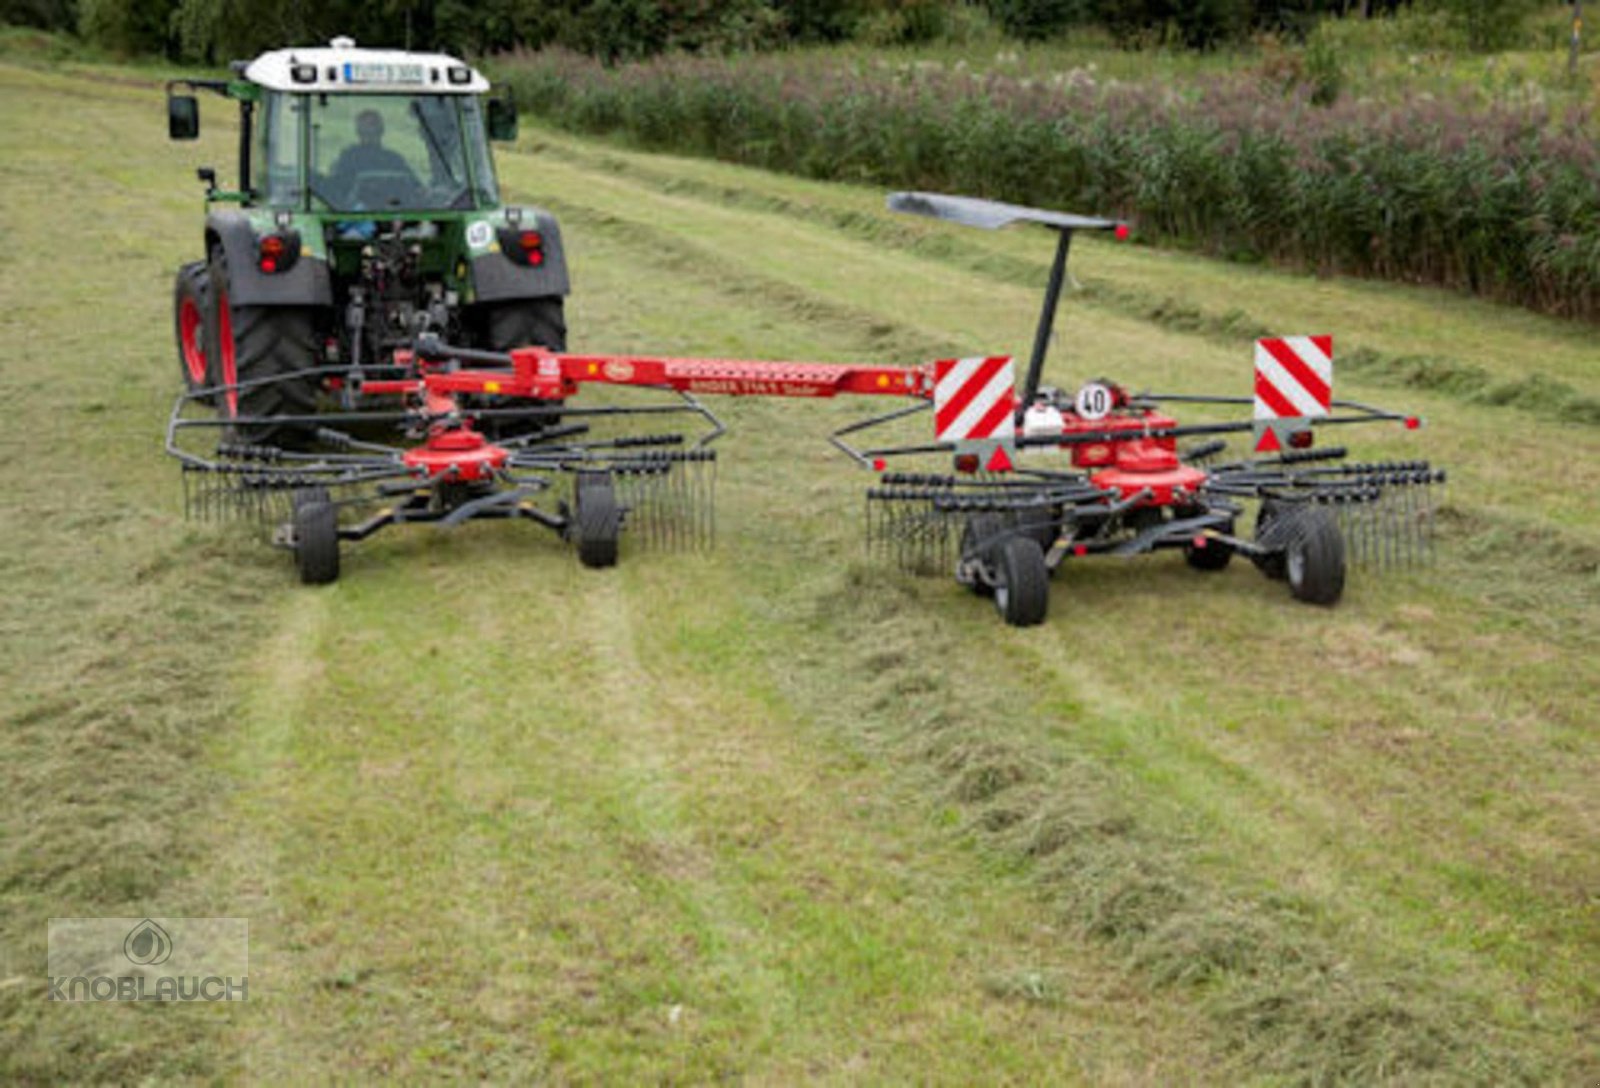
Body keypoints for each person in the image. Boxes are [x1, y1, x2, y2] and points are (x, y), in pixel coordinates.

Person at [330, 109, 418, 206]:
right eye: (366, 132)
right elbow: (336, 190)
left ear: (381, 131)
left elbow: (414, 186)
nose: (371, 135)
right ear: (358, 132)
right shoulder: (348, 157)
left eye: (375, 130)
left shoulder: (394, 159)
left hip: (392, 211)